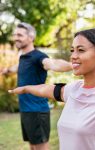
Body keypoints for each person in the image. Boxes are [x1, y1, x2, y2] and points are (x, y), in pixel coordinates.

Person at [1, 22, 73, 150]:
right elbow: (16, 68)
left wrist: (73, 65)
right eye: (15, 34)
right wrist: (5, 70)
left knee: (40, 147)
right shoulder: (24, 57)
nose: (15, 37)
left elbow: (53, 64)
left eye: (20, 35)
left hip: (37, 111)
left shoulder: (38, 57)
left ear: (31, 37)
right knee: (33, 146)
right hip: (26, 110)